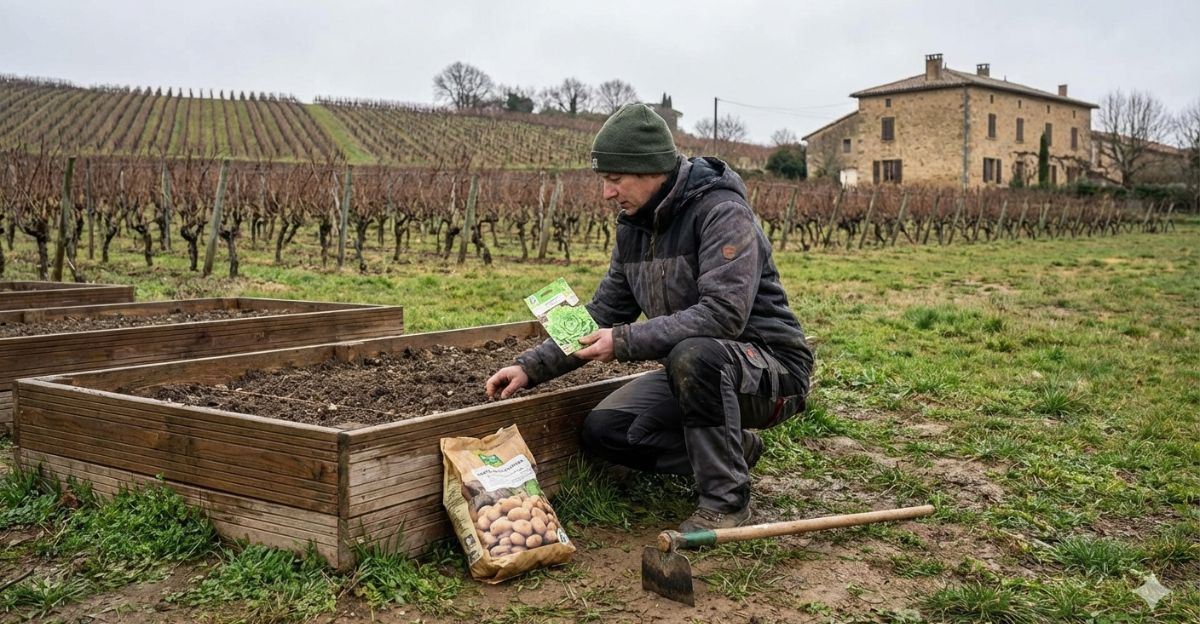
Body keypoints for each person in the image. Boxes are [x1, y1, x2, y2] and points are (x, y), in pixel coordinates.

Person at [485, 103, 813, 532]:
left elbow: (722, 316)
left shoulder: (721, 213)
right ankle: (735, 450)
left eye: (614, 180)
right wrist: (529, 367)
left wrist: (622, 341)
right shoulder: (633, 228)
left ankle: (725, 502)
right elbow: (604, 310)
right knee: (606, 429)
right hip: (699, 373)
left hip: (770, 372)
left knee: (694, 354)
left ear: (651, 169)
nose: (606, 193)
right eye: (604, 181)